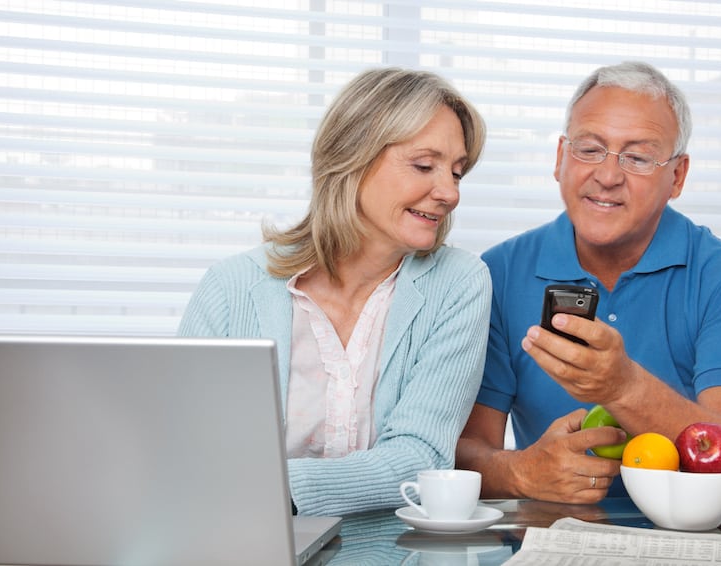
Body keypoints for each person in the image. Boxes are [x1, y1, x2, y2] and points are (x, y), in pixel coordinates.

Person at [456, 61, 721, 504]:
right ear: (559, 159)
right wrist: (521, 473)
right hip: (547, 539)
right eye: (589, 150)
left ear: (677, 177)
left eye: (638, 157)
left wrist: (623, 387)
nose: (607, 176)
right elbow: (463, 454)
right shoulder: (497, 274)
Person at [179, 67, 492, 517]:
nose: (449, 193)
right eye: (424, 165)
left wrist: (272, 489)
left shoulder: (458, 284)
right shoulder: (232, 288)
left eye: (458, 173)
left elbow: (421, 459)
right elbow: (187, 457)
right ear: (352, 157)